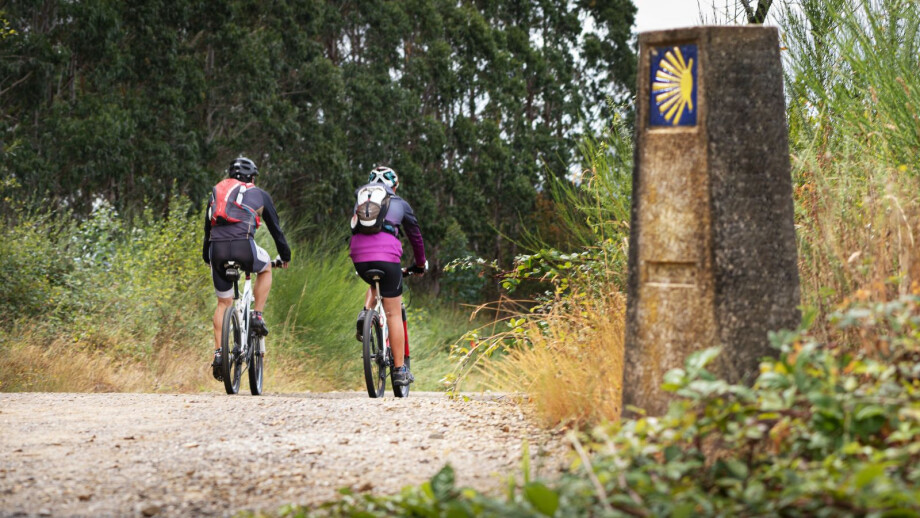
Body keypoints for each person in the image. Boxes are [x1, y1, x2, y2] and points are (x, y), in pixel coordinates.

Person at [203, 156, 291, 380]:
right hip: (244, 247)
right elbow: (276, 229)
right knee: (265, 268)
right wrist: (285, 256)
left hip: (217, 250)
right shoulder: (259, 194)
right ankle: (257, 315)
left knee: (223, 303)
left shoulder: (217, 192)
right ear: (251, 177)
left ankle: (219, 354)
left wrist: (208, 256)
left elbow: (207, 227)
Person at [350, 166, 427, 387]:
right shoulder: (400, 203)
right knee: (394, 313)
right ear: (394, 186)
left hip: (359, 258)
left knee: (375, 282)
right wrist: (419, 264)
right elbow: (416, 237)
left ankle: (366, 313)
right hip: (388, 259)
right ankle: (400, 370)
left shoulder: (361, 202)